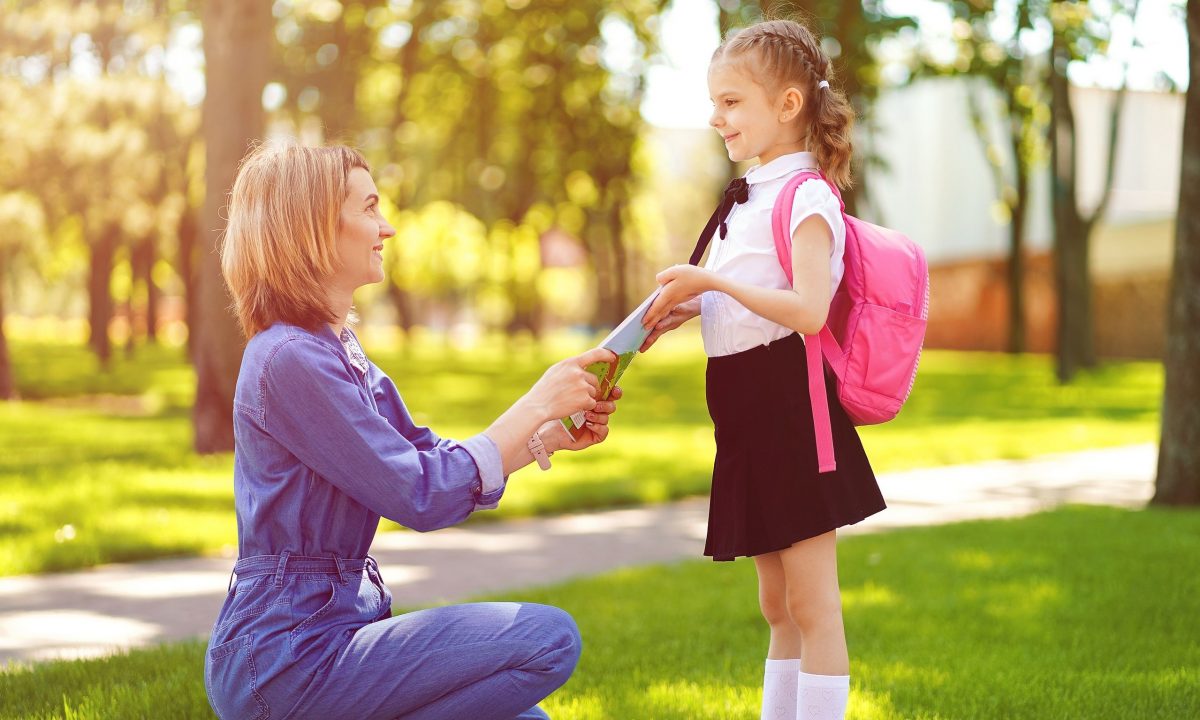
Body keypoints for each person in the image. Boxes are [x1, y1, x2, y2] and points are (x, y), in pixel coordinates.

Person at [204, 142, 621, 720]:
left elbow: (427, 458)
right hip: (286, 661)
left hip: (335, 636)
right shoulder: (287, 358)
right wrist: (533, 406)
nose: (388, 227)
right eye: (369, 207)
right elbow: (419, 493)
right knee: (546, 640)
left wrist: (544, 435)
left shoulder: (338, 353)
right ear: (312, 228)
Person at [639, 18, 887, 720]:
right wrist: (693, 307)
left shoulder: (806, 197)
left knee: (813, 604)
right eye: (714, 103)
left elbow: (806, 310)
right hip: (746, 415)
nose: (716, 117)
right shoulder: (749, 195)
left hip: (790, 413)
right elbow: (752, 302)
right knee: (776, 604)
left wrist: (711, 283)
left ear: (787, 104)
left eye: (731, 102)